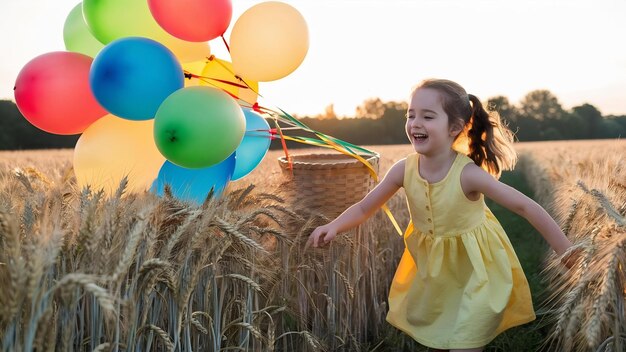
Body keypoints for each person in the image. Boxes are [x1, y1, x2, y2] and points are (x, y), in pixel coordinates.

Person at [306, 78, 578, 352]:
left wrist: (565, 250)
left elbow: (525, 207)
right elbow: (365, 207)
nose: (415, 123)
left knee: (465, 341)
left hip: (476, 268)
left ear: (455, 128)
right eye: (410, 115)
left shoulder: (468, 174)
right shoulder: (404, 169)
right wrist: (335, 226)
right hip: (433, 270)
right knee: (439, 337)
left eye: (427, 116)